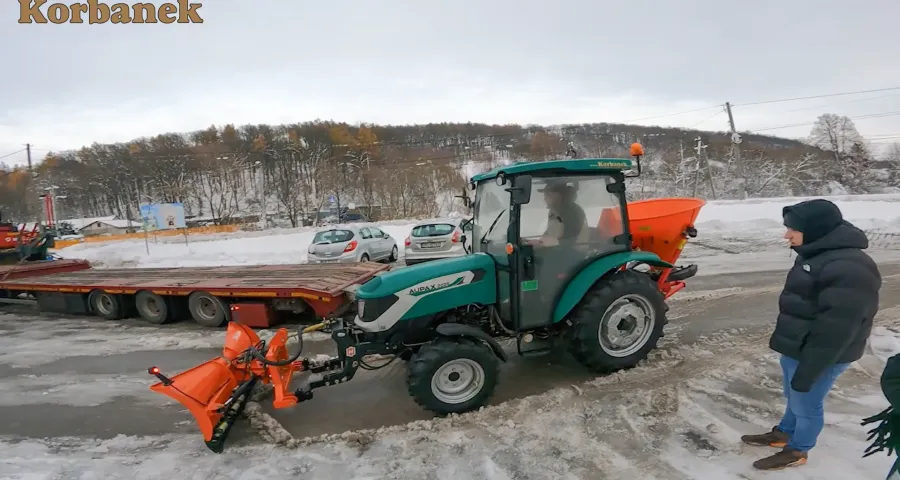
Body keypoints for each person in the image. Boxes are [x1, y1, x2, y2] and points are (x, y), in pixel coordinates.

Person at [741, 198, 882, 470]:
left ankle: (798, 450)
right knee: (796, 396)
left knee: (807, 403)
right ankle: (784, 433)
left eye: (793, 229)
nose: (787, 235)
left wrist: (811, 367)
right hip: (801, 348)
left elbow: (838, 328)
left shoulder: (848, 267)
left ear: (815, 229)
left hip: (822, 354)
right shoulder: (818, 254)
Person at [532, 179, 587, 247]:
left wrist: (539, 244)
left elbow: (558, 239)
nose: (545, 199)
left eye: (548, 195)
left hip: (566, 253)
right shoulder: (561, 210)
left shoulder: (568, 213)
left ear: (558, 196)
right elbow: (550, 235)